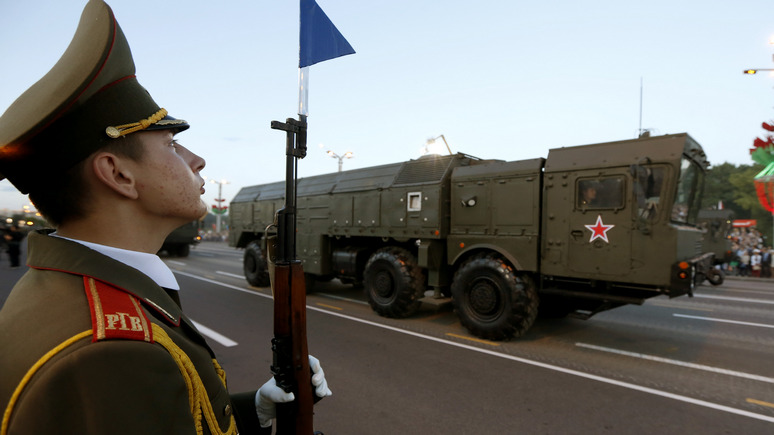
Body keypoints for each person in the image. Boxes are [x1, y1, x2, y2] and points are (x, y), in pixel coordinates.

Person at [0, 1, 330, 434]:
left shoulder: (73, 294)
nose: (198, 160)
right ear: (118, 174)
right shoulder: (115, 353)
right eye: (172, 144)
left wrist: (255, 410)